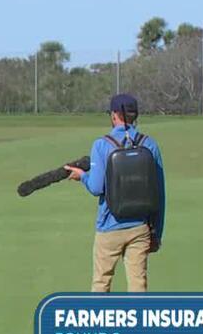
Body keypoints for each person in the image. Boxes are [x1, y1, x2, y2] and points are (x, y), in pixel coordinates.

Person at [66, 94, 165, 292]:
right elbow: (159, 194)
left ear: (114, 115)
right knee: (138, 285)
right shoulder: (150, 144)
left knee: (101, 283)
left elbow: (96, 187)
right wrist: (157, 233)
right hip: (140, 228)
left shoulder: (101, 145)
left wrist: (82, 177)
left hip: (109, 228)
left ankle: (101, 322)